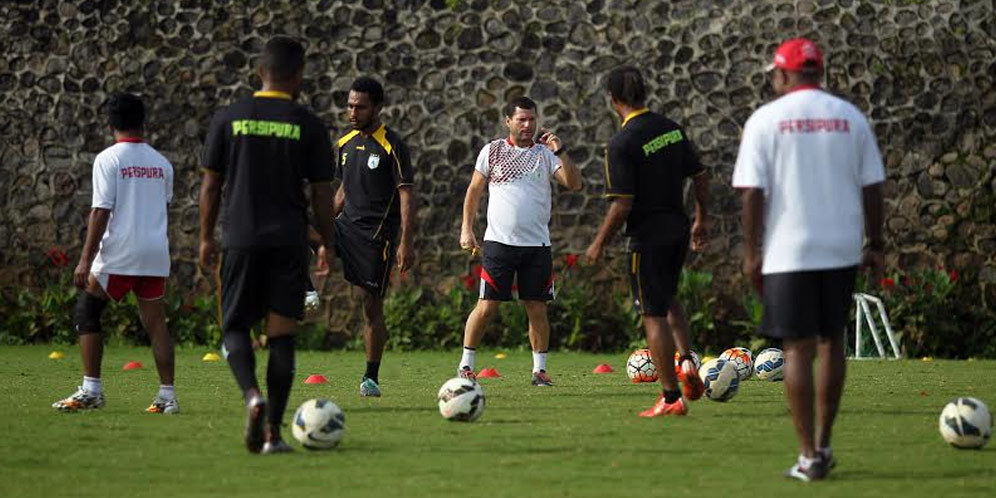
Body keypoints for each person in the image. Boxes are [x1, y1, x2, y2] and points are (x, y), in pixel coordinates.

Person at [732, 38, 885, 481]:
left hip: (788, 249)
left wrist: (751, 252)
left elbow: (752, 193)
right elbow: (872, 186)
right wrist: (876, 243)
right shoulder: (850, 118)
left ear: (782, 74)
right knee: (831, 341)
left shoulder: (766, 120)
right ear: (820, 72)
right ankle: (824, 442)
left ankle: (807, 454)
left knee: (796, 347)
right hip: (840, 247)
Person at [199, 36, 336, 454]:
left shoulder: (229, 118)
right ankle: (273, 432)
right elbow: (322, 193)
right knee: (282, 337)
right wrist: (327, 242)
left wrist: (206, 237)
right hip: (287, 242)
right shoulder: (308, 123)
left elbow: (211, 185)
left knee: (235, 328)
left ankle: (252, 397)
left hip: (240, 238)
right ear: (298, 77)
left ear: (260, 72)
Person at [585, 66, 710, 417]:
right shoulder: (670, 129)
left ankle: (670, 397)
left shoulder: (621, 142)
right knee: (669, 298)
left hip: (647, 237)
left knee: (651, 313)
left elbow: (622, 203)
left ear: (613, 100)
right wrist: (702, 218)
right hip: (679, 230)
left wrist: (598, 242)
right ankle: (686, 360)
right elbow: (700, 175)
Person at [52, 92, 179, 415]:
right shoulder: (161, 164)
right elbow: (163, 208)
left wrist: (84, 259)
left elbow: (100, 211)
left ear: (110, 123)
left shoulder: (108, 159)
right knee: (156, 324)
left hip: (120, 251)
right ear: (143, 122)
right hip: (154, 252)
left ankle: (92, 390)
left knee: (87, 311)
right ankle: (167, 397)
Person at [457, 96, 582, 386]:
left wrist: (560, 150)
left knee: (536, 308)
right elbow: (474, 192)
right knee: (487, 305)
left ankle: (539, 371)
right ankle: (465, 365)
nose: (528, 125)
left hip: (537, 246)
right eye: (521, 119)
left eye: (532, 119)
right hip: (499, 244)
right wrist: (467, 229)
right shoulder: (492, 151)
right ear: (508, 121)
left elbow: (574, 183)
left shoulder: (545, 153)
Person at [324, 76, 415, 398]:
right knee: (296, 228)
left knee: (370, 306)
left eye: (360, 107)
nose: (352, 112)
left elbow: (406, 195)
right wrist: (324, 225)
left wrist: (406, 242)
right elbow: (343, 190)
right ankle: (305, 289)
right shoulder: (345, 143)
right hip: (345, 226)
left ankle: (370, 377)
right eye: (349, 105)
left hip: (376, 236)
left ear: (377, 107)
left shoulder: (393, 144)